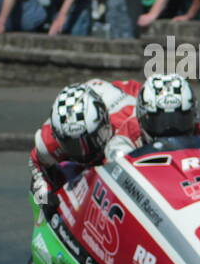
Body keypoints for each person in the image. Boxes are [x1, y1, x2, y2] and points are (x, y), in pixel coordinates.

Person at [29, 79, 143, 213]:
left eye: (91, 141)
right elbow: (35, 164)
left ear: (105, 125)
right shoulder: (48, 141)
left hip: (128, 94)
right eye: (72, 145)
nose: (84, 153)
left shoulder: (128, 118)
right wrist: (44, 197)